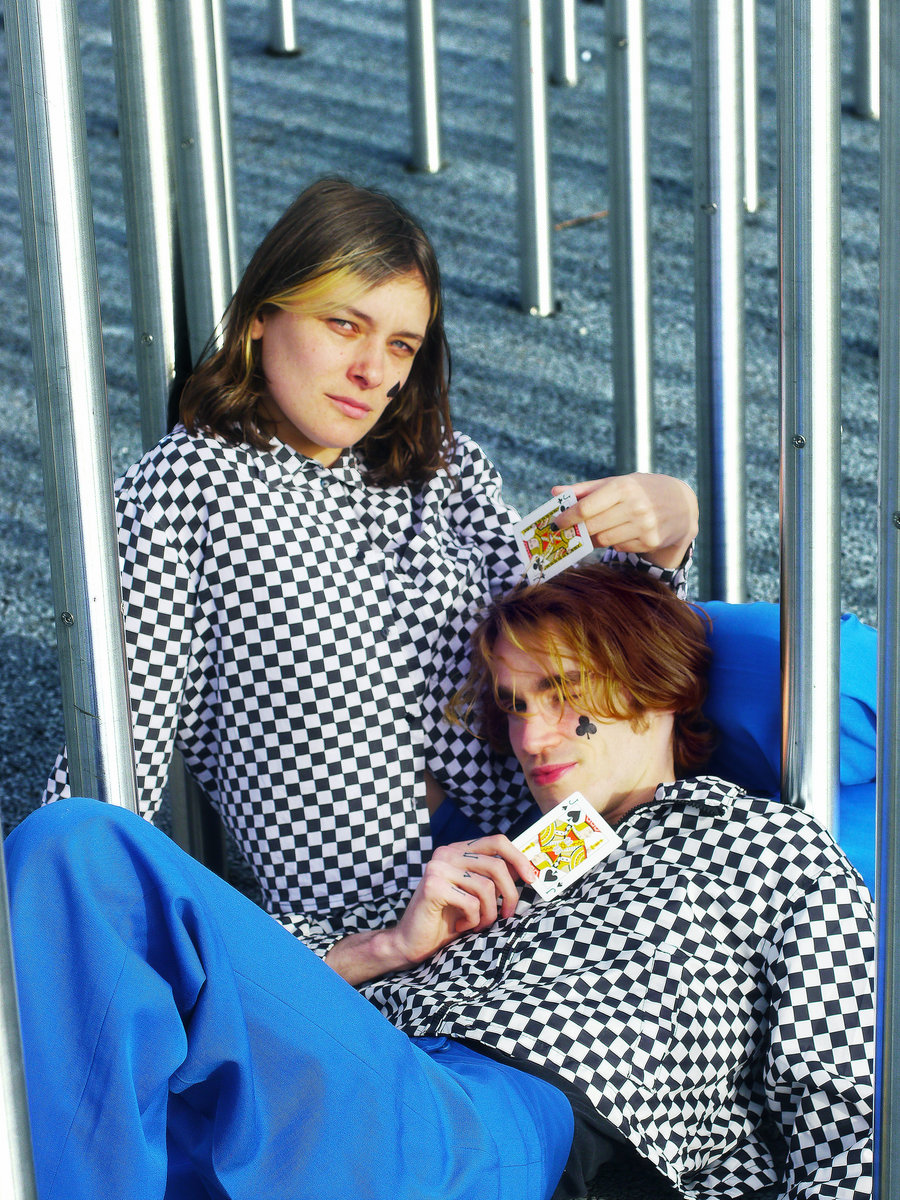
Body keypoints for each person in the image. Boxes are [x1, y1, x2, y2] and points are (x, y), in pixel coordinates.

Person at [11, 564, 873, 1200]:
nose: (530, 736)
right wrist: (389, 946)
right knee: (72, 868)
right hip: (354, 1090)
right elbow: (251, 986)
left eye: (560, 692)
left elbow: (843, 1097)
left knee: (83, 841)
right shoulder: (483, 862)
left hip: (509, 1124)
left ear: (659, 687)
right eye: (513, 704)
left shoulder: (763, 843)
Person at [42, 176, 698, 967]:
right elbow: (114, 755)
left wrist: (668, 533)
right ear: (261, 316)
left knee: (800, 710)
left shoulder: (443, 466)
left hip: (552, 852)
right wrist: (68, 936)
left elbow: (567, 623)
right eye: (344, 325)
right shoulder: (186, 490)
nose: (371, 372)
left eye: (400, 345)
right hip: (382, 926)